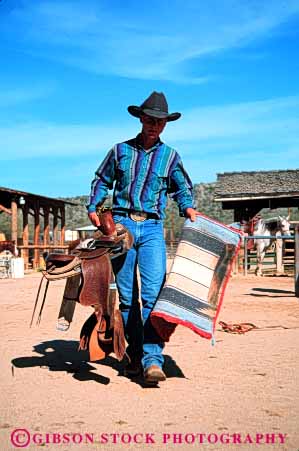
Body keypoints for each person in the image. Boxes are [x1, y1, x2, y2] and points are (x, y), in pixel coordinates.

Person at [87, 91, 199, 383]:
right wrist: (95, 208)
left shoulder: (170, 156)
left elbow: (182, 188)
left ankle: (152, 359)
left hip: (151, 227)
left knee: (153, 295)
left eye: (160, 122)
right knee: (127, 299)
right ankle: (131, 356)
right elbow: (101, 181)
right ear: (140, 119)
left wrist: (188, 207)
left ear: (165, 124)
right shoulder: (119, 151)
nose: (154, 126)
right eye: (150, 120)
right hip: (121, 225)